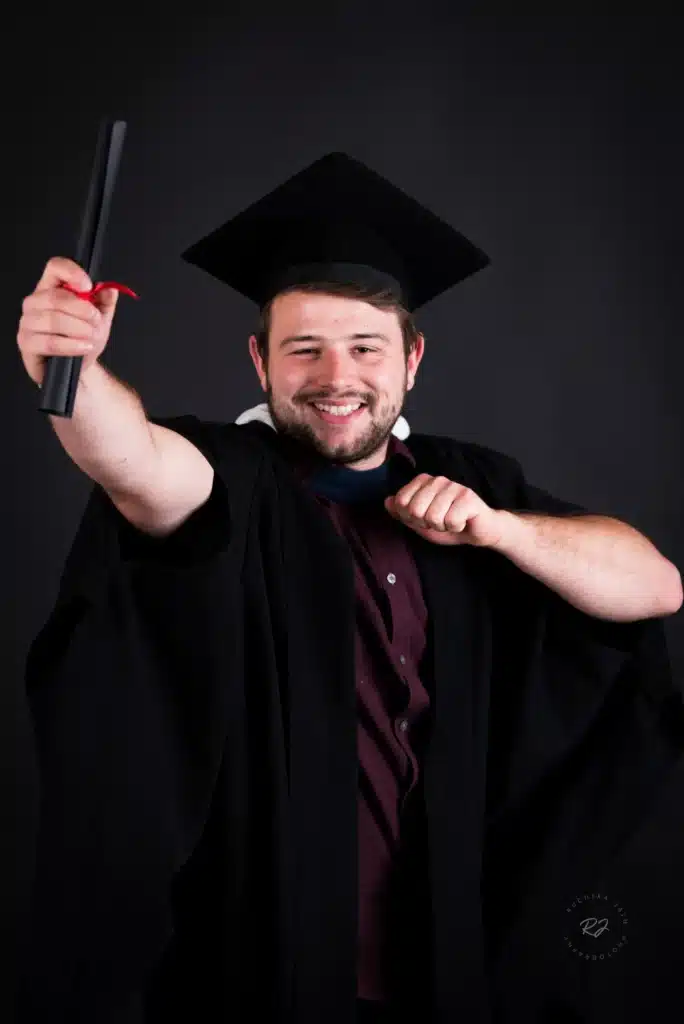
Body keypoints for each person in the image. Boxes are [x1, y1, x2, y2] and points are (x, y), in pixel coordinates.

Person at [15, 153, 684, 1024]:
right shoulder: (231, 476)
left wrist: (502, 531)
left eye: (366, 347)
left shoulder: (471, 483)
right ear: (260, 360)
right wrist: (69, 372)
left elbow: (656, 586)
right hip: (251, 970)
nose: (338, 377)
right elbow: (135, 463)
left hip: (444, 964)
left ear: (412, 356)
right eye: (305, 349)